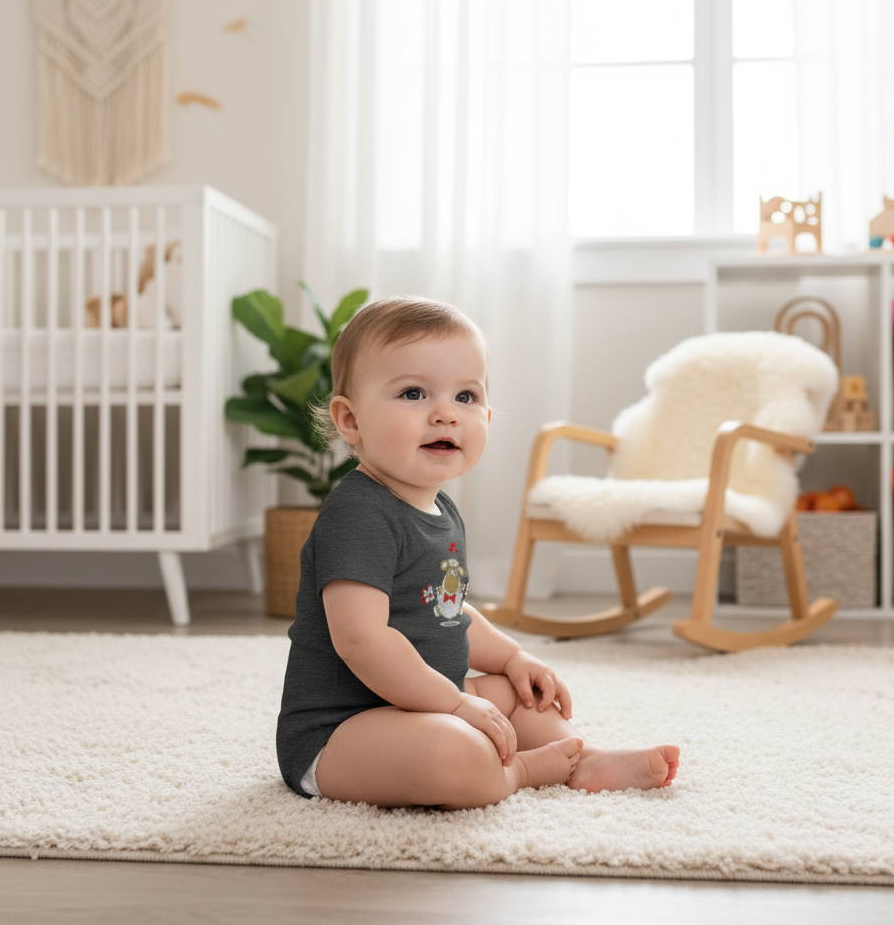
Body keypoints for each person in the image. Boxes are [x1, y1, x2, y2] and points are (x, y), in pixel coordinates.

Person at [276, 296, 679, 809]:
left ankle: (584, 757)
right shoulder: (358, 514)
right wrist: (456, 703)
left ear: (487, 414)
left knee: (517, 696)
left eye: (466, 396)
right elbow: (361, 639)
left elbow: (445, 609)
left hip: (426, 704)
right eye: (414, 393)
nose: (446, 413)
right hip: (343, 730)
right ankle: (523, 772)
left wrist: (512, 657)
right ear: (350, 420)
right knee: (455, 752)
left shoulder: (439, 508)